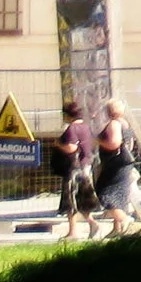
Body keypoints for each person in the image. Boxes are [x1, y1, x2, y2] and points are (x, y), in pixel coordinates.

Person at [94, 98, 141, 235]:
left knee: (105, 193)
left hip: (114, 163)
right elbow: (130, 144)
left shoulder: (114, 124)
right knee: (119, 195)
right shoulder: (125, 124)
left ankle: (125, 219)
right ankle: (117, 229)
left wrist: (99, 141)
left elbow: (114, 143)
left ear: (108, 111)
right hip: (123, 163)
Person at [55, 100, 100, 240]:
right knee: (83, 199)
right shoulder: (86, 128)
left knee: (71, 200)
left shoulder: (72, 129)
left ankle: (73, 232)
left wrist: (58, 144)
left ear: (68, 115)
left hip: (74, 169)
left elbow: (71, 148)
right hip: (86, 167)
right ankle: (92, 223)